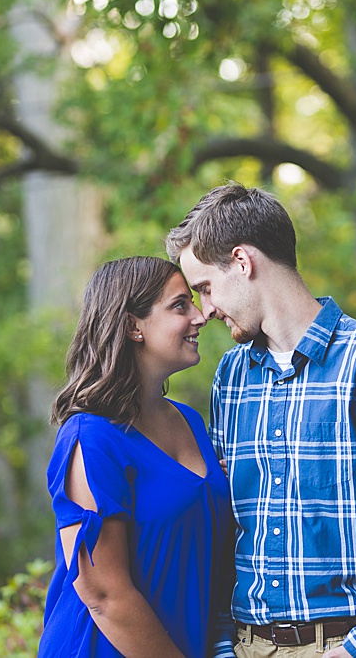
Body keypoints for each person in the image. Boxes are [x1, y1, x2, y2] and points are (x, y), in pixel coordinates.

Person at [167, 183, 356, 658]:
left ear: (243, 262)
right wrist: (223, 646)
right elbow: (223, 531)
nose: (207, 311)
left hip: (350, 644)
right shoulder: (231, 378)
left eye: (205, 288)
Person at [39, 256, 234, 657]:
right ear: (132, 326)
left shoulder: (191, 422)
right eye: (180, 305)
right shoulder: (91, 437)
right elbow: (103, 594)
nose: (200, 316)